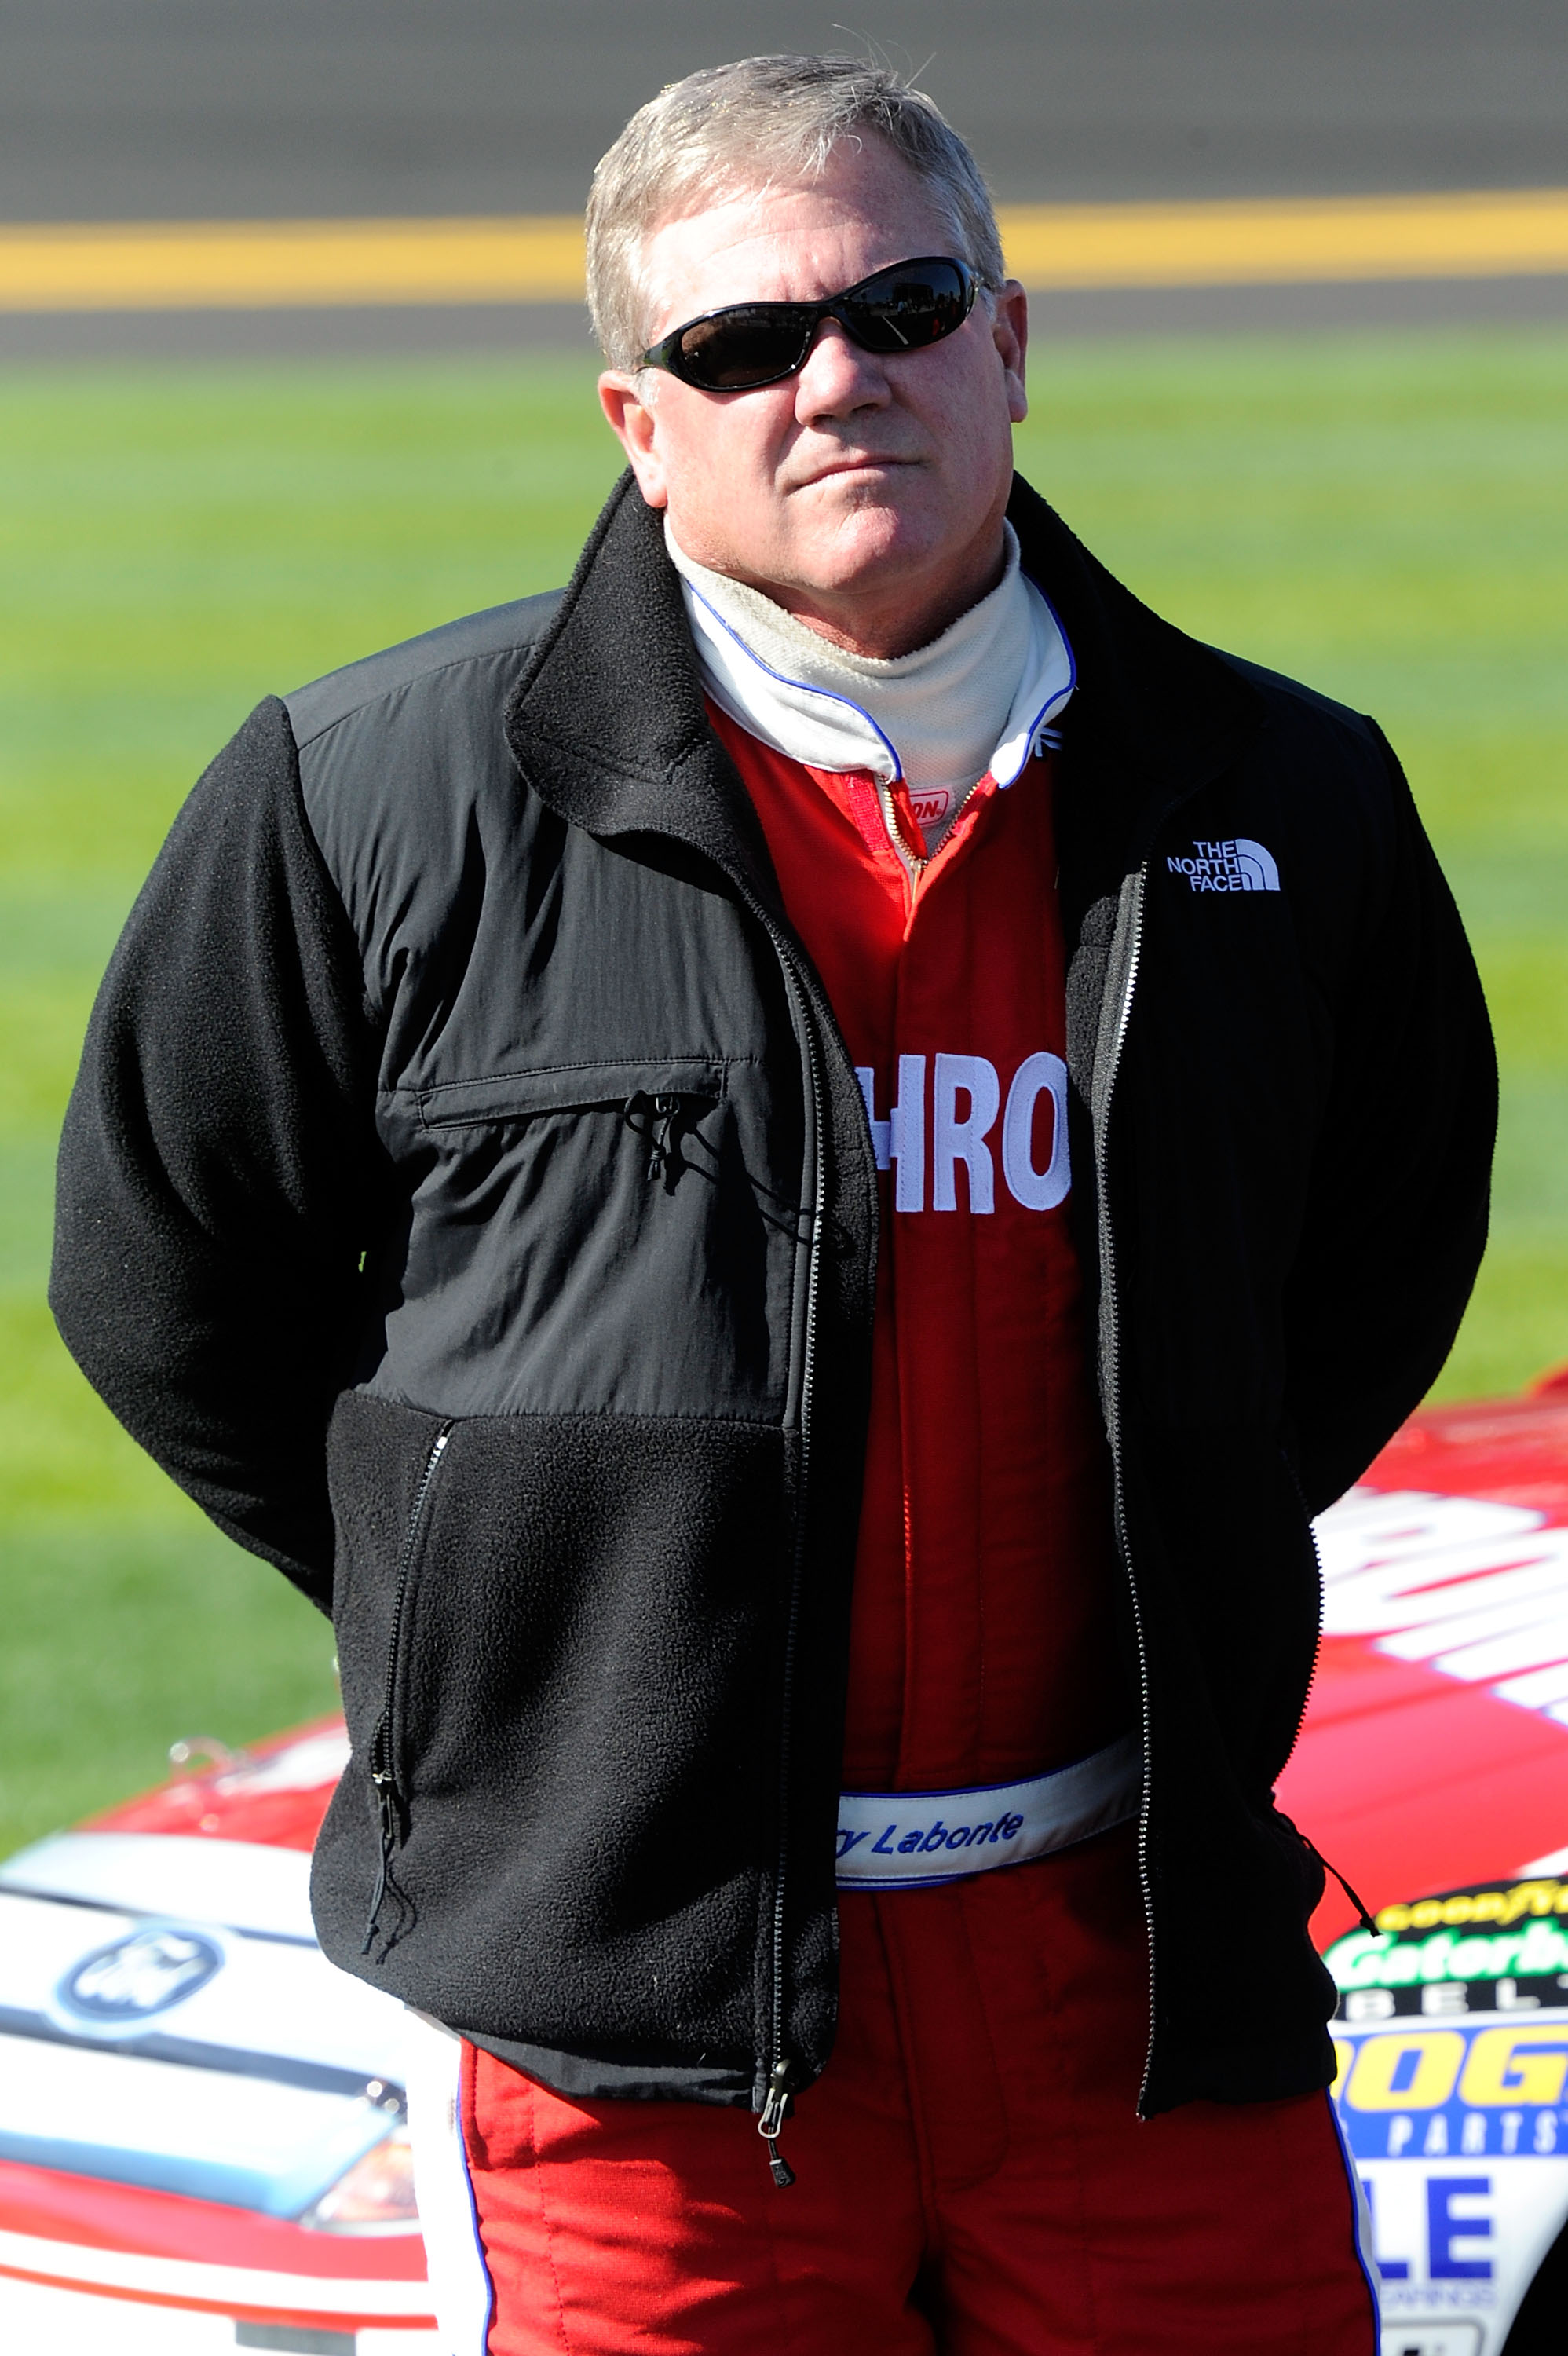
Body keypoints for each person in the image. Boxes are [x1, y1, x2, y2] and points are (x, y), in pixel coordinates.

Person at [52, 53, 1494, 2356]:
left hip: (1130, 1970)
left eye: (904, 308)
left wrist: (1174, 1503)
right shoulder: (360, 795)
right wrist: (503, 1600)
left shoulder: (1287, 794)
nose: (839, 381)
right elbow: (168, 1284)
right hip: (644, 2019)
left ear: (1008, 344)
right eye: (743, 345)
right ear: (640, 420)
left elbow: (1375, 1262)